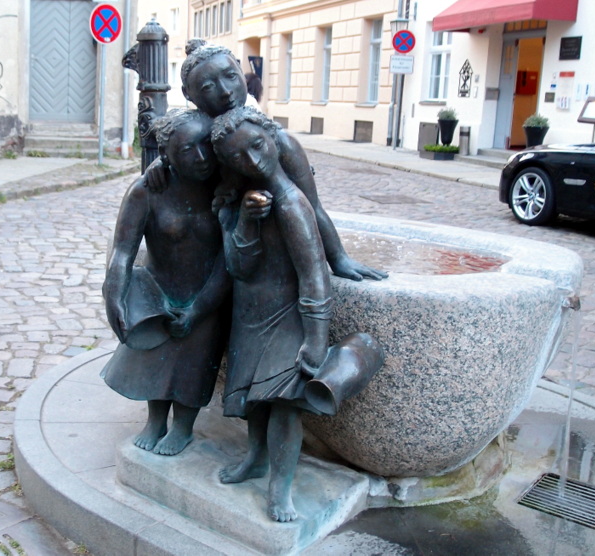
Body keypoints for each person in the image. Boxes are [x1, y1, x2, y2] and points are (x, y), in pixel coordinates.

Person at [146, 39, 387, 283]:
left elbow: (312, 206)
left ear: (241, 69)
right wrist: (161, 164)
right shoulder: (201, 138)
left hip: (263, 255)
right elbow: (177, 150)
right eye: (208, 87)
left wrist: (337, 258)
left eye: (230, 75)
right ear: (189, 94)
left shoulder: (276, 140)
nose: (226, 91)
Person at [211, 106, 332, 522]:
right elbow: (238, 266)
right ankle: (256, 458)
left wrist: (315, 339)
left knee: (282, 404)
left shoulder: (292, 204)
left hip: (287, 317)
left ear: (272, 140)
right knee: (254, 401)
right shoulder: (242, 203)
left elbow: (315, 275)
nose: (253, 161)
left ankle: (280, 487)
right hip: (250, 317)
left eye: (258, 146)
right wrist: (245, 222)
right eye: (238, 157)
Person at [102, 109, 228, 456]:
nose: (201, 157)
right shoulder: (146, 191)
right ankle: (155, 420)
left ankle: (183, 428)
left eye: (205, 145)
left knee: (194, 365)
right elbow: (123, 252)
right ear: (166, 154)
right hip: (159, 290)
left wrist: (201, 307)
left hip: (208, 294)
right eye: (187, 150)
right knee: (154, 357)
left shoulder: (223, 186)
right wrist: (114, 295)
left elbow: (226, 260)